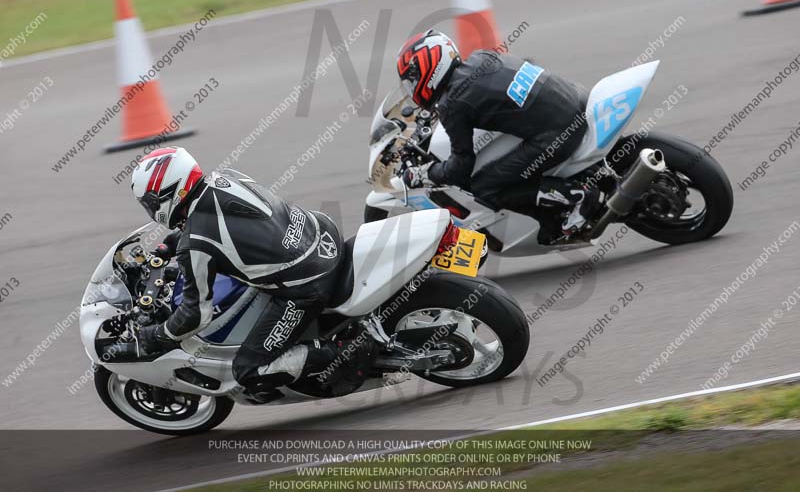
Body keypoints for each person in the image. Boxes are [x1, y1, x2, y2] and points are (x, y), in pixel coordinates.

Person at [130, 147, 372, 403]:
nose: (150, 208)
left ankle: (350, 350)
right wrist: (168, 246)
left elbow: (195, 315)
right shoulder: (224, 178)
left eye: (151, 201)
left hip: (307, 283)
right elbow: (215, 227)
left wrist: (158, 335)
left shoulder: (195, 244)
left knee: (248, 370)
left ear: (171, 193)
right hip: (323, 234)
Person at [396, 29, 600, 239]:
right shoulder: (479, 58)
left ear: (429, 69)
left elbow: (461, 167)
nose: (412, 89)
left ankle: (577, 195)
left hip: (559, 131)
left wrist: (425, 173)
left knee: (484, 187)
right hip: (574, 97)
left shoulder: (452, 105)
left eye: (412, 81)